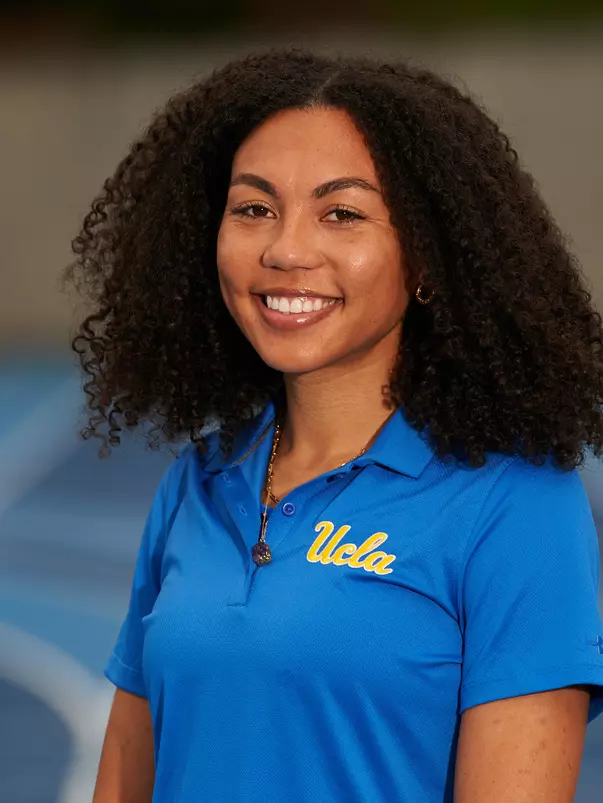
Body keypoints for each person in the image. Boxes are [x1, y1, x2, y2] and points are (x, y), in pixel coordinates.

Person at [64, 48, 603, 803]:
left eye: (340, 213)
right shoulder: (198, 481)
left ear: (423, 258)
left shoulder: (514, 505)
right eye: (253, 208)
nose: (285, 249)